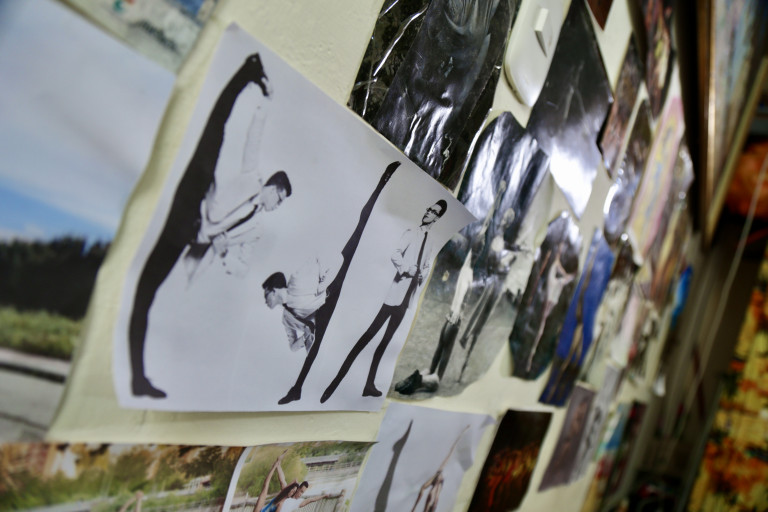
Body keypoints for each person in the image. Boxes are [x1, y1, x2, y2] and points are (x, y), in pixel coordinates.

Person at [127, 53, 291, 399]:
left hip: (188, 236)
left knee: (147, 293)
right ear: (270, 187)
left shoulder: (256, 226)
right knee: (215, 133)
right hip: (195, 198)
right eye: (278, 198)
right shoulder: (251, 175)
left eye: (280, 204)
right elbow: (253, 136)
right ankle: (247, 70)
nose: (277, 206)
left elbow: (239, 266)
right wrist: (265, 103)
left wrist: (224, 250)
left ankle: (137, 379)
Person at [277, 162, 400, 405]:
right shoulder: (340, 246)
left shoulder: (371, 249)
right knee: (317, 342)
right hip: (326, 293)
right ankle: (298, 388)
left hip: (344, 294)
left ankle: (309, 388)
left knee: (328, 341)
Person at [320, 200, 448, 403]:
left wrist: (421, 274)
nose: (428, 212)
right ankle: (334, 382)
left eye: (433, 212)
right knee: (367, 338)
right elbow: (395, 254)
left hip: (406, 301)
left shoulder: (430, 241)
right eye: (429, 209)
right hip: (394, 296)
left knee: (385, 343)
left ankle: (368, 386)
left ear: (437, 218)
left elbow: (425, 267)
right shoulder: (411, 232)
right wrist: (406, 269)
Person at [262, 254, 343, 353]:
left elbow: (332, 259)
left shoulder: (296, 281)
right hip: (319, 345)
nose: (265, 301)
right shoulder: (285, 320)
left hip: (334, 315)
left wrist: (323, 287)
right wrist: (305, 336)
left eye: (266, 295)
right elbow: (292, 347)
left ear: (274, 291)